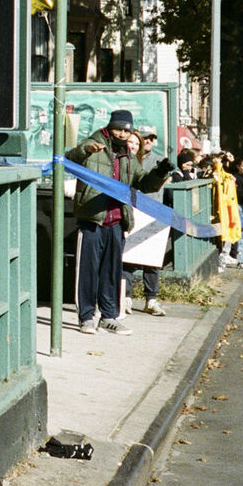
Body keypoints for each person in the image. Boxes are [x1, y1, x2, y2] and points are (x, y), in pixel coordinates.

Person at [65, 109, 171, 335]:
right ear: (109, 128)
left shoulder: (128, 156)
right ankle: (86, 317)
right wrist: (86, 150)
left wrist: (160, 172)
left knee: (112, 272)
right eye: (119, 130)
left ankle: (109, 317)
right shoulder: (93, 144)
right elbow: (69, 159)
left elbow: (143, 183)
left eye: (127, 131)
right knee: (88, 271)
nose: (123, 135)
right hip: (92, 219)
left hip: (117, 220)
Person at [123, 125, 171, 316]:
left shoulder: (160, 161)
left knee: (152, 260)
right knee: (126, 258)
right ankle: (125, 297)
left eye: (151, 137)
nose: (148, 140)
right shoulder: (127, 159)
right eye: (145, 138)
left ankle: (151, 300)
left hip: (153, 213)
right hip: (132, 212)